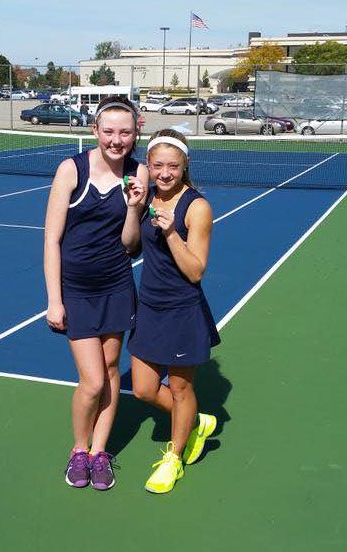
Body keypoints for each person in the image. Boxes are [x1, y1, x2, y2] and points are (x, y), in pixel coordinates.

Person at [44, 96, 148, 491]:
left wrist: (135, 208)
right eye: (109, 132)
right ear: (95, 131)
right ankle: (78, 450)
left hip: (117, 285)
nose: (116, 140)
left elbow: (130, 246)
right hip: (77, 290)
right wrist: (55, 299)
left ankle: (100, 453)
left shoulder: (138, 173)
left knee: (109, 372)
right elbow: (51, 240)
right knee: (91, 381)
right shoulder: (72, 169)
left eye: (124, 132)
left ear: (136, 131)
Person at [127, 128, 220, 494]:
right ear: (148, 166)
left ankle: (174, 458)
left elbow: (196, 270)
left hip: (182, 310)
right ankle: (195, 422)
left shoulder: (197, 207)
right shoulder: (146, 197)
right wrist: (134, 210)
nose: (165, 173)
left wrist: (171, 234)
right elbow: (131, 248)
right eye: (158, 165)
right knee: (146, 390)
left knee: (181, 389)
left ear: (185, 166)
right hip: (149, 306)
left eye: (173, 166)